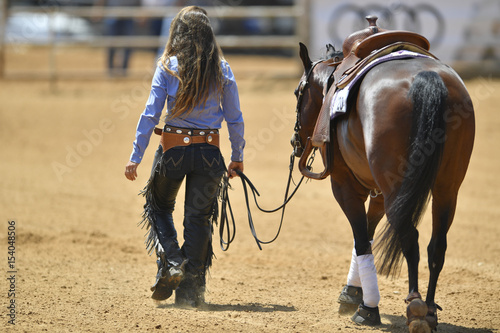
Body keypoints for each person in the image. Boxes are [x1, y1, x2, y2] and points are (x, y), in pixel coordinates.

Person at [124, 6, 245, 308]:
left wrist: (136, 155)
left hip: (173, 150)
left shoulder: (167, 66)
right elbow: (235, 118)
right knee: (199, 219)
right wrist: (237, 156)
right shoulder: (222, 69)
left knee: (158, 205)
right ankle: (191, 291)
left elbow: (150, 114)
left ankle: (174, 261)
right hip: (209, 153)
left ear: (177, 33)